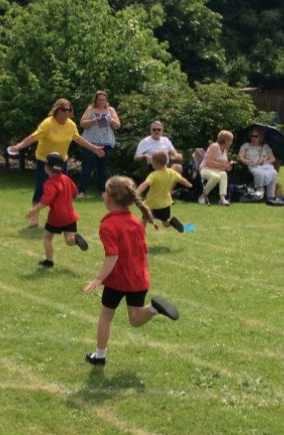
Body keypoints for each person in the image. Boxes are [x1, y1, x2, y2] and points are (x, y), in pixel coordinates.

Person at [83, 175, 179, 366]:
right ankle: (153, 308)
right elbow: (144, 251)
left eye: (105, 192)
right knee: (135, 319)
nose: (103, 195)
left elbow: (112, 256)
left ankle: (100, 355)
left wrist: (99, 279)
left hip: (117, 280)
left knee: (106, 315)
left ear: (110, 198)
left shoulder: (108, 225)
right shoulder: (136, 222)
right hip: (138, 279)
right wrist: (145, 274)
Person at [8, 98, 105, 226]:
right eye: (64, 109)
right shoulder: (48, 124)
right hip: (45, 161)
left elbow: (78, 139)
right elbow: (33, 137)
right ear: (57, 110)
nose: (67, 112)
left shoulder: (71, 125)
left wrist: (94, 148)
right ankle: (34, 219)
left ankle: (62, 218)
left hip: (61, 162)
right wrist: (18, 146)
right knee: (41, 188)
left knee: (63, 191)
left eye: (69, 109)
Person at [26, 152, 89, 267]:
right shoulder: (66, 179)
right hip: (70, 216)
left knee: (47, 237)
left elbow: (45, 201)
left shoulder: (50, 184)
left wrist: (33, 210)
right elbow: (75, 193)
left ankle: (49, 261)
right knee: (69, 240)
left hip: (56, 217)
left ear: (46, 167)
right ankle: (75, 239)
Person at [77, 90, 120, 198]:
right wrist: (93, 121)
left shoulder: (110, 110)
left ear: (106, 100)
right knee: (87, 168)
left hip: (106, 143)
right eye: (99, 100)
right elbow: (82, 124)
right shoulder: (90, 109)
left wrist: (110, 120)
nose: (101, 102)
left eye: (103, 100)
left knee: (103, 169)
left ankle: (102, 192)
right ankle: (82, 192)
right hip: (90, 143)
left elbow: (117, 125)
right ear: (95, 100)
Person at [137, 150, 192, 232]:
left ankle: (139, 236)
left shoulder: (154, 175)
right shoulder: (172, 172)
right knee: (166, 223)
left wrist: (136, 192)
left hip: (152, 204)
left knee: (144, 219)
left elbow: (145, 184)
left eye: (152, 162)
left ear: (156, 163)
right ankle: (173, 222)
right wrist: (189, 184)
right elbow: (181, 179)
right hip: (165, 204)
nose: (152, 164)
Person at [238, 128, 278, 199]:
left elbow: (273, 159)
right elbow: (240, 156)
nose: (253, 138)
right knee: (260, 174)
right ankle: (259, 192)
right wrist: (244, 160)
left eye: (256, 136)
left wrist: (264, 162)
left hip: (265, 166)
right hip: (253, 166)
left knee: (273, 173)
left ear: (260, 137)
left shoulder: (265, 147)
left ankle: (270, 196)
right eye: (252, 136)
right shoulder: (246, 145)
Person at [198, 130, 234, 206]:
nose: (231, 143)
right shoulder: (215, 146)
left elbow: (224, 166)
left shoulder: (225, 150)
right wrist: (224, 165)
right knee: (216, 177)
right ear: (226, 141)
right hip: (205, 169)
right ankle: (202, 197)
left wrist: (229, 166)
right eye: (231, 141)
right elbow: (209, 162)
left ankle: (222, 199)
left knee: (223, 174)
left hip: (217, 170)